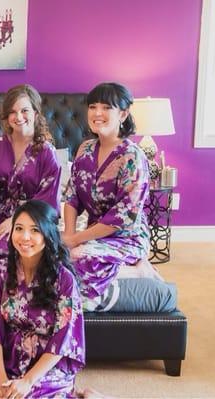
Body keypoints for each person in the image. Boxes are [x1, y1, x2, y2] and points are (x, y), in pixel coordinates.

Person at [0, 200, 85, 398]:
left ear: (48, 234)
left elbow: (63, 339)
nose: (25, 237)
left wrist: (28, 381)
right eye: (19, 228)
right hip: (11, 363)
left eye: (34, 230)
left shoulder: (64, 279)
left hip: (48, 369)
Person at [62, 82, 151, 304]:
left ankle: (135, 272)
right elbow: (72, 196)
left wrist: (76, 240)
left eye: (106, 107)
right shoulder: (86, 149)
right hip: (90, 233)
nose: (97, 113)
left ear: (123, 113)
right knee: (50, 256)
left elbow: (122, 219)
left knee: (79, 259)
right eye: (93, 107)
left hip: (126, 237)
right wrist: (69, 234)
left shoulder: (132, 158)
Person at [0, 84, 61, 260]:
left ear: (36, 114)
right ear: (7, 117)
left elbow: (48, 199)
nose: (19, 117)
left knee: (8, 248)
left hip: (33, 219)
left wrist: (16, 220)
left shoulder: (47, 152)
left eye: (25, 110)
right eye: (13, 112)